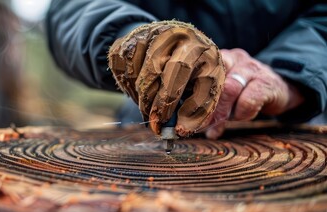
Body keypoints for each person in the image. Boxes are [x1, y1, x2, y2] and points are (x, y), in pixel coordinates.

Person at [45, 0, 327, 139]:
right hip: (147, 129)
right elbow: (70, 9)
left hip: (293, 125)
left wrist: (293, 74)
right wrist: (134, 41)